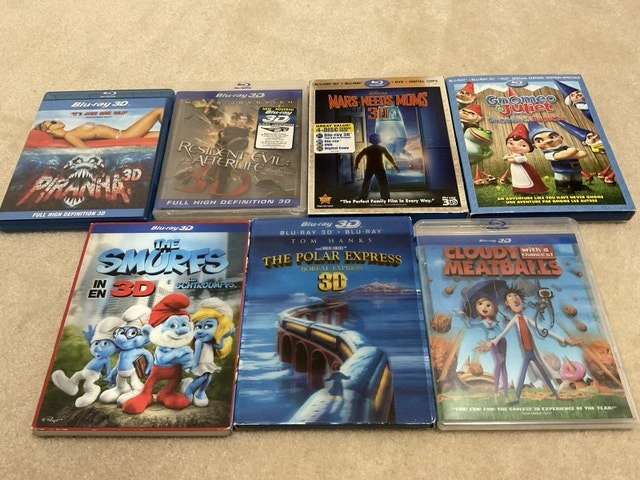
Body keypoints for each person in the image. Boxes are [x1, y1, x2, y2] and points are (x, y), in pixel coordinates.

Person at [478, 287, 578, 405]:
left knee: (544, 374)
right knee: (522, 375)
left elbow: (542, 329)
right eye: (510, 296)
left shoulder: (526, 318)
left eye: (516, 296)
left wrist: (563, 338)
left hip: (532, 353)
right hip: (527, 353)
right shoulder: (514, 319)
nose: (514, 298)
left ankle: (556, 396)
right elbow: (503, 332)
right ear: (507, 303)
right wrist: (492, 342)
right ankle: (517, 399)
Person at [34, 107, 164, 148]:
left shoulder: (72, 132)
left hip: (124, 133)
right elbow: (86, 151)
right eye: (53, 122)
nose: (57, 120)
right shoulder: (70, 135)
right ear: (49, 130)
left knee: (166, 136)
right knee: (159, 111)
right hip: (124, 136)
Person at [503, 123, 548, 194]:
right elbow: (509, 157)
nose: (515, 147)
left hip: (523, 170)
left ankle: (530, 190)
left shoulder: (522, 157)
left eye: (523, 145)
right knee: (517, 179)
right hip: (516, 170)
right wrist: (507, 157)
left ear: (530, 147)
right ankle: (518, 189)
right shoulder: (514, 154)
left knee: (525, 179)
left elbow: (514, 160)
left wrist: (508, 158)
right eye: (511, 143)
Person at [354, 132, 400, 200]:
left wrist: (356, 164)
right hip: (380, 168)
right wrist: (394, 165)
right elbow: (389, 157)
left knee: (366, 183)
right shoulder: (382, 148)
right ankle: (385, 197)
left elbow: (359, 156)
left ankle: (363, 197)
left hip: (369, 168)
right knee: (383, 183)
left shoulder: (367, 149)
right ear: (379, 140)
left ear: (370, 140)